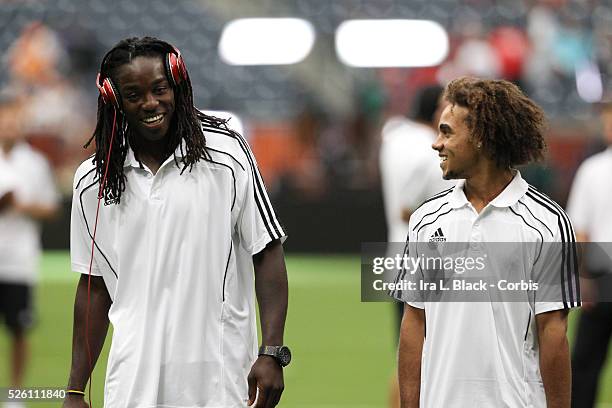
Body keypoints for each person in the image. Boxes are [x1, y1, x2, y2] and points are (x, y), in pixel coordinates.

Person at [64, 37, 290, 408]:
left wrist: (271, 351)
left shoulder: (227, 153)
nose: (150, 103)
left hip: (219, 378)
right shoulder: (93, 181)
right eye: (134, 94)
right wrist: (75, 389)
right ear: (112, 99)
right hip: (131, 381)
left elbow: (266, 250)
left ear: (178, 85)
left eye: (159, 89)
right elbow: (94, 286)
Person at [390, 77, 580, 407]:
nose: (436, 144)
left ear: (480, 137)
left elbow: (553, 335)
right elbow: (413, 323)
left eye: (447, 132)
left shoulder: (548, 224)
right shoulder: (426, 220)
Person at [379, 85, 453, 408]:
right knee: (423, 356)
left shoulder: (394, 139)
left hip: (396, 253)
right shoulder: (432, 152)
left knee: (408, 351)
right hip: (429, 262)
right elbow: (409, 208)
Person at [0, 91, 59, 408]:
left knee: (18, 330)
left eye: (13, 120)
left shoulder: (34, 163)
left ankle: (15, 394)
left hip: (19, 260)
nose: (8, 126)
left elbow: (51, 207)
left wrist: (21, 205)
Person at [567, 100, 612, 408]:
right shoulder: (593, 168)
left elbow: (580, 232)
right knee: (584, 365)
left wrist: (582, 278)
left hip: (600, 270)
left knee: (585, 364)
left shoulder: (594, 168)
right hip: (600, 271)